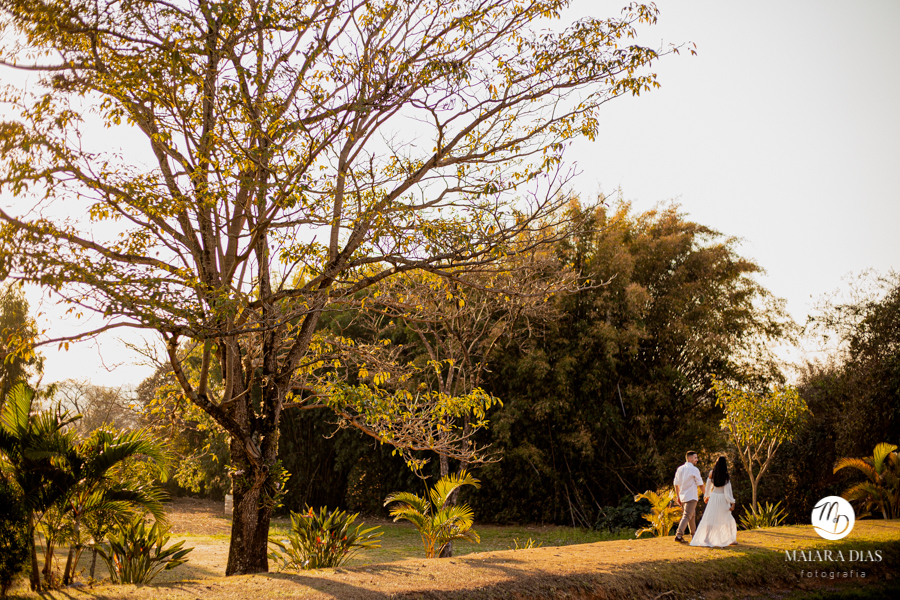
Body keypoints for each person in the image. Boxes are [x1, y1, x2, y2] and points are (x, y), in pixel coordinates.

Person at [690, 456, 738, 547]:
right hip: (722, 499)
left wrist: (707, 496)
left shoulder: (712, 473)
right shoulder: (726, 476)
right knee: (727, 518)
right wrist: (732, 503)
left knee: (710, 518)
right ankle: (731, 539)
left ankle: (707, 537)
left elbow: (708, 485)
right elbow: (728, 492)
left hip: (714, 498)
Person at [673, 451, 704, 543]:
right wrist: (706, 494)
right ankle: (679, 535)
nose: (697, 460)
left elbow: (675, 483)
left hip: (683, 497)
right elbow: (701, 484)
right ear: (689, 458)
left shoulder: (680, 469)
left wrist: (678, 496)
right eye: (695, 458)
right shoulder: (694, 469)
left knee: (692, 515)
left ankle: (694, 536)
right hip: (691, 496)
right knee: (687, 516)